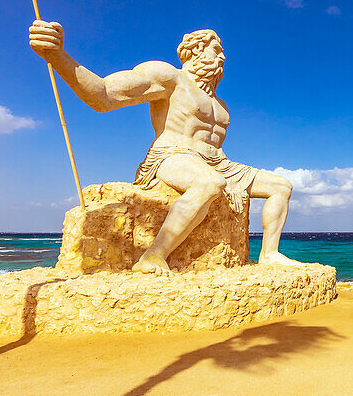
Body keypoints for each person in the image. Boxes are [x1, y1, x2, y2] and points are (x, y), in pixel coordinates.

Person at [28, 20, 301, 274]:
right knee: (209, 183)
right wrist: (57, 55)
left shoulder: (221, 104)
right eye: (216, 50)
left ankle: (269, 254)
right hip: (173, 155)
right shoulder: (169, 77)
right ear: (195, 51)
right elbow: (104, 95)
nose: (223, 58)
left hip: (220, 162)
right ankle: (153, 255)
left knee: (281, 186)